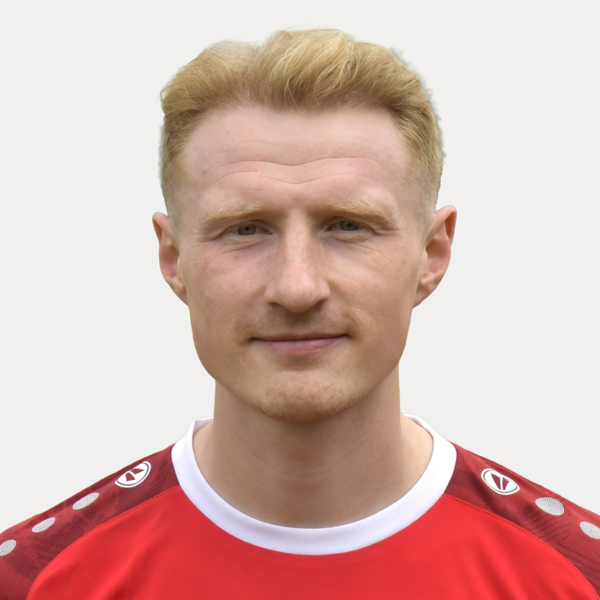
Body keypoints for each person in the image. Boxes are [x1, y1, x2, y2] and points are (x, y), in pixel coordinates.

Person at [1, 28, 598, 599]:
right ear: (174, 257)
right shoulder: (31, 582)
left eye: (348, 226)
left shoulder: (578, 577)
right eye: (245, 229)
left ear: (432, 253)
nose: (296, 287)